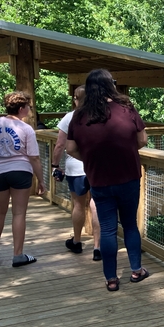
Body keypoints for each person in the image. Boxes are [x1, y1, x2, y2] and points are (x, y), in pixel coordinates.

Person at [66, 69, 148, 292]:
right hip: (128, 176)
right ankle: (136, 270)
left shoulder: (80, 115)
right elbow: (142, 139)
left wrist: (92, 157)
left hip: (99, 178)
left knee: (108, 229)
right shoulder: (126, 108)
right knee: (130, 224)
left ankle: (111, 279)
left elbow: (70, 147)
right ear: (110, 85)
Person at [0, 91, 46, 266]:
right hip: (21, 171)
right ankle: (18, 255)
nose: (30, 110)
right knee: (19, 213)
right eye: (29, 107)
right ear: (22, 109)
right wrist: (41, 180)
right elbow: (34, 158)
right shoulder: (26, 129)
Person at [52, 85, 101, 260]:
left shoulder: (69, 117)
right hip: (97, 166)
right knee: (97, 205)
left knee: (79, 205)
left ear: (76, 99)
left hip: (75, 168)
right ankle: (98, 247)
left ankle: (77, 241)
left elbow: (59, 145)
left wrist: (55, 166)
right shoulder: (100, 116)